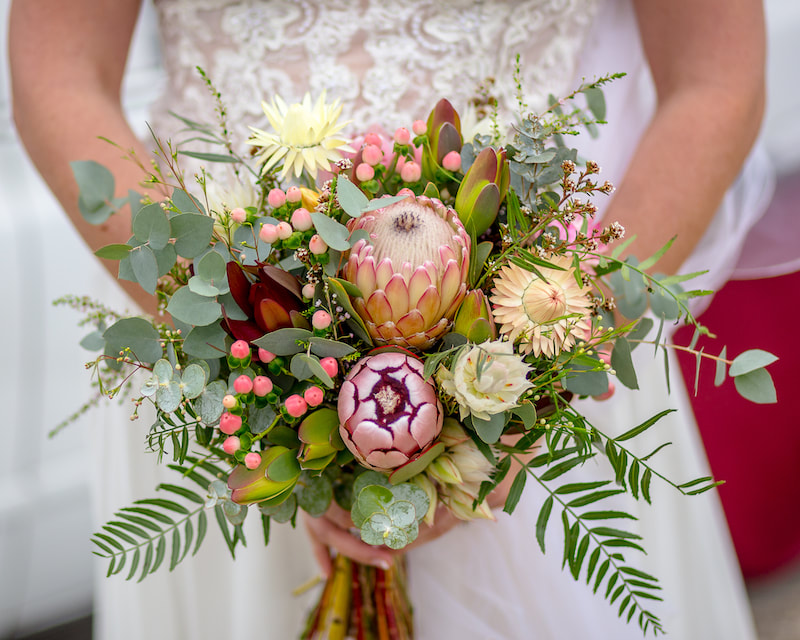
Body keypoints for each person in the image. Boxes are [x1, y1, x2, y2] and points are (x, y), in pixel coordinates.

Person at [9, 0, 770, 638]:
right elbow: (60, 72)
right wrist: (238, 355)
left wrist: (541, 368)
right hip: (213, 345)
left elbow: (714, 79)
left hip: (536, 334)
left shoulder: (544, 352)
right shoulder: (225, 346)